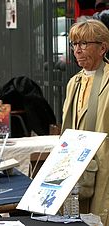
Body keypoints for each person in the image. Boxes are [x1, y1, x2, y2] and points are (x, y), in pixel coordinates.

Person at [61, 19, 109, 225]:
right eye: (74, 44)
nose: (77, 50)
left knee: (101, 212)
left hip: (105, 160)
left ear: (103, 48)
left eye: (83, 44)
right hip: (80, 162)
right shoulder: (75, 81)